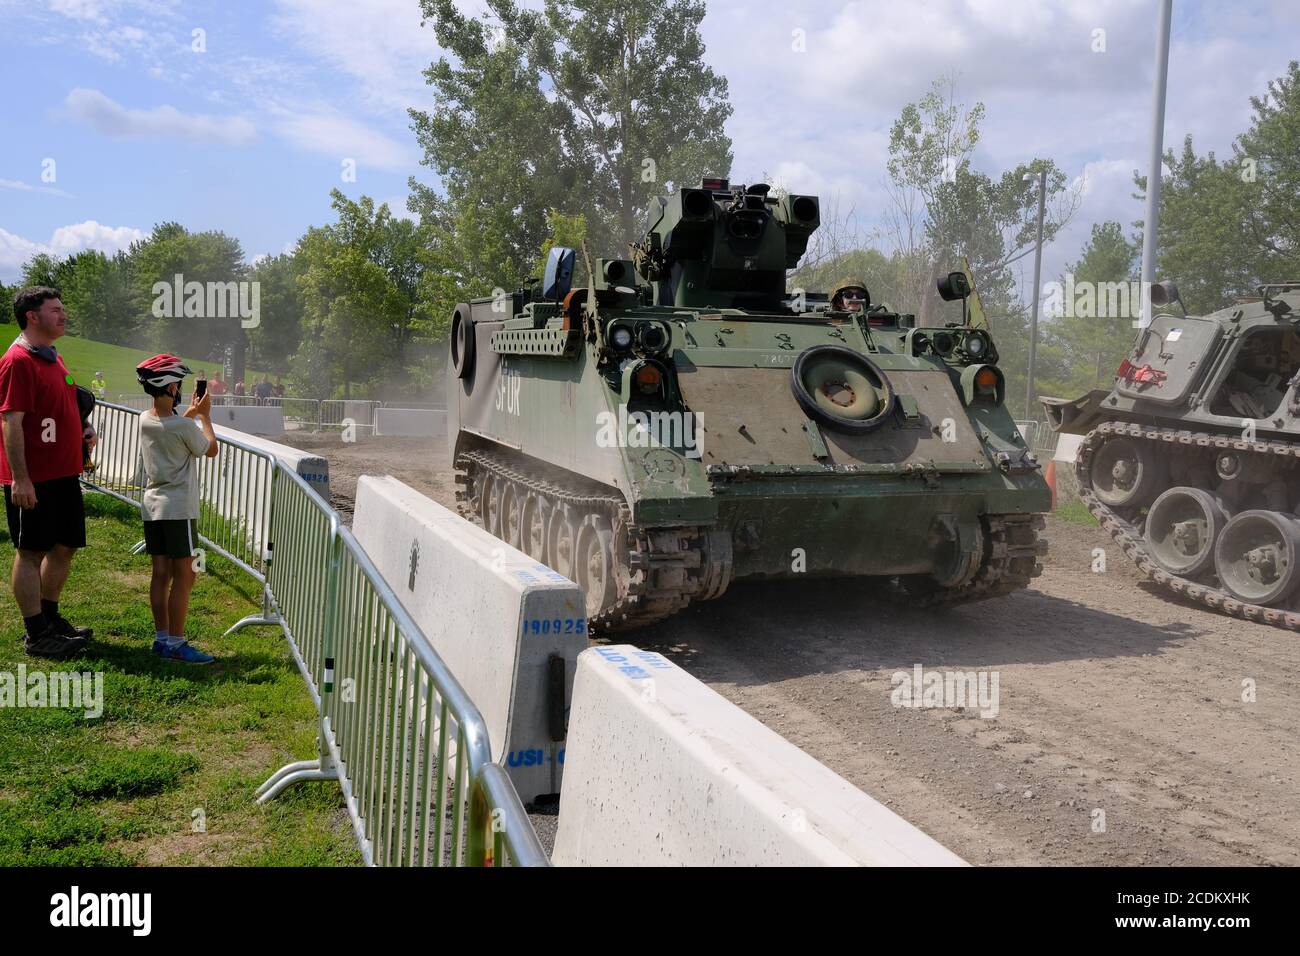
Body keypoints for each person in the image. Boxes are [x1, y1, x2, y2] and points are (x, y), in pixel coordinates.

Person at [0, 287, 96, 660]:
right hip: (34, 477)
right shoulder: (18, 361)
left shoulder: (53, 358)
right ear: (32, 316)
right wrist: (21, 479)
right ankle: (36, 634)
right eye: (56, 310)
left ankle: (50, 617)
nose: (64, 314)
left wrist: (83, 426)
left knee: (64, 546)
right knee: (30, 551)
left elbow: (70, 397)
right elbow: (10, 421)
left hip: (63, 473)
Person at [136, 354, 219, 664]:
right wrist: (205, 417)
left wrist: (190, 415)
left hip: (153, 506)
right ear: (170, 387)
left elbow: (172, 428)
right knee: (185, 575)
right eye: (178, 384)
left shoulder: (145, 419)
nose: (181, 388)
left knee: (160, 573)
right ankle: (177, 643)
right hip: (178, 509)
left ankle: (161, 640)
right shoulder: (183, 426)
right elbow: (210, 449)